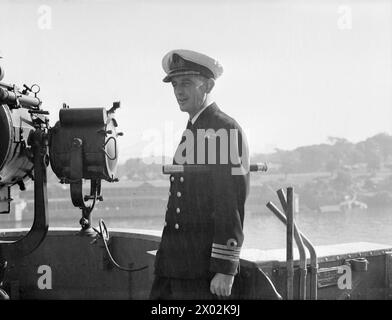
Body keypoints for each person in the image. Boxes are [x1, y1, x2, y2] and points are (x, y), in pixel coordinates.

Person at [150, 49, 250, 300]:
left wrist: (225, 269)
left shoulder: (222, 128)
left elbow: (229, 202)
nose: (178, 91)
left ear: (208, 85)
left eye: (186, 83)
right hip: (175, 264)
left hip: (201, 268)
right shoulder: (195, 127)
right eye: (174, 84)